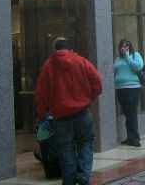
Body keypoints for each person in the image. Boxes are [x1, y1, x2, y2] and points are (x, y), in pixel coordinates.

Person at [35, 37, 102, 185]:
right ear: (69, 49)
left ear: (55, 49)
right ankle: (83, 176)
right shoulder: (82, 61)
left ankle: (69, 181)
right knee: (86, 143)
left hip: (60, 117)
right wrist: (88, 98)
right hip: (82, 113)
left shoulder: (48, 66)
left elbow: (41, 95)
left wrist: (42, 116)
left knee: (65, 149)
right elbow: (97, 82)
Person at [113, 39, 144, 147]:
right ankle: (130, 137)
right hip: (120, 89)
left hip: (132, 88)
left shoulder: (135, 55)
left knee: (132, 114)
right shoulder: (118, 59)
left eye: (127, 46)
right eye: (122, 46)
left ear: (130, 47)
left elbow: (138, 67)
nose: (124, 48)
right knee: (127, 114)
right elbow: (114, 71)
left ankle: (135, 139)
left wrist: (127, 57)